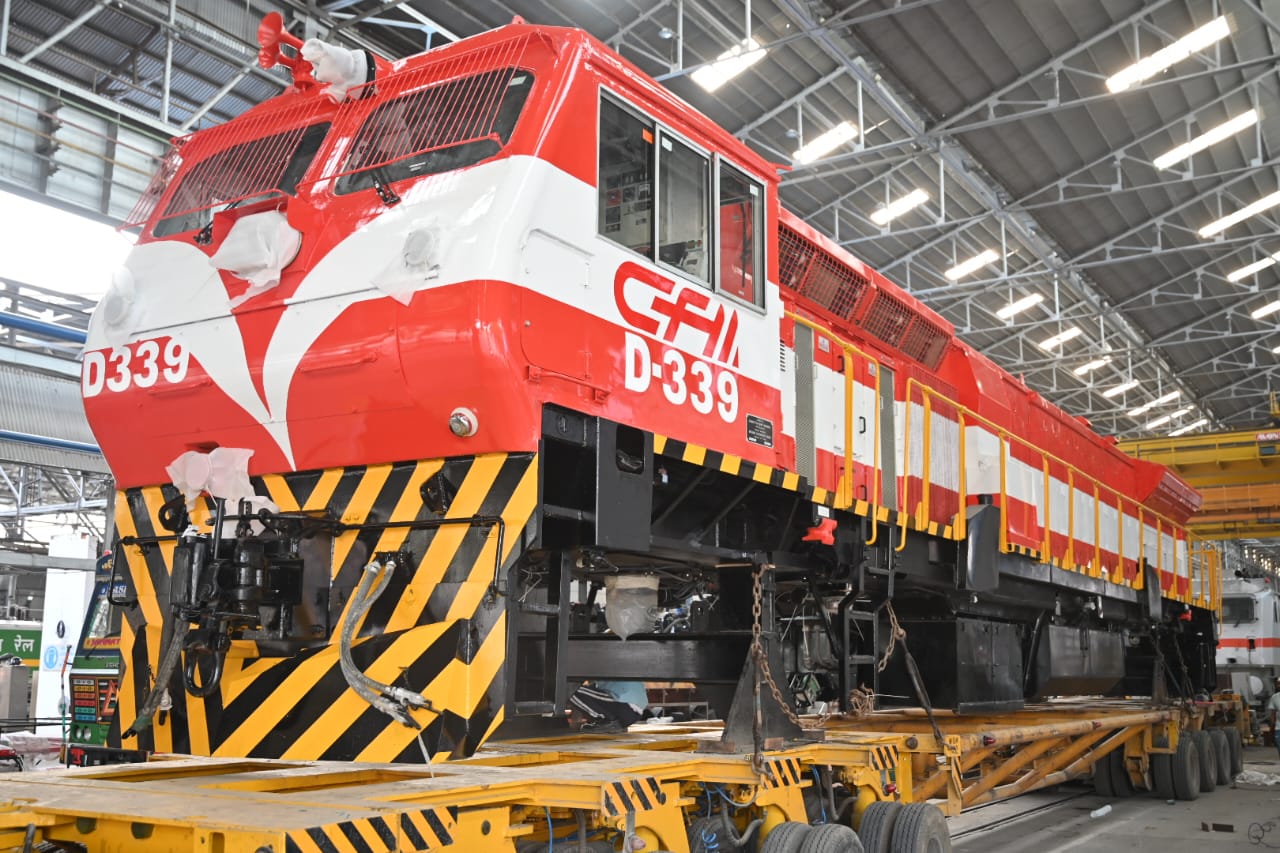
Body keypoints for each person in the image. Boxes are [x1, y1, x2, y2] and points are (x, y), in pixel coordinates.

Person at [1268, 679, 1280, 755]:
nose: (1279, 685)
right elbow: (1273, 714)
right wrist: (1271, 729)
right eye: (1278, 684)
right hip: (1279, 728)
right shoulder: (1274, 697)